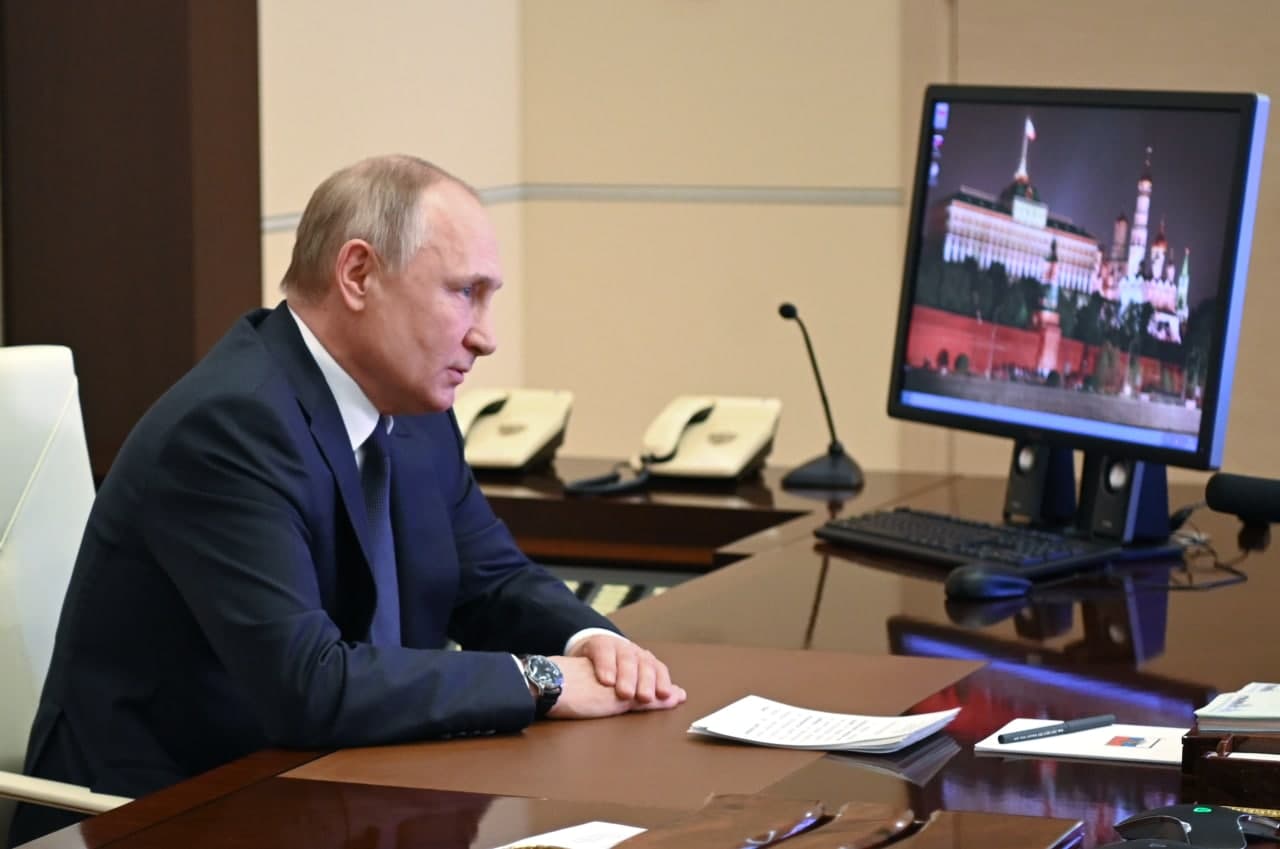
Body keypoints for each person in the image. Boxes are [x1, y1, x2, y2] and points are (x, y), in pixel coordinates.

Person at [9, 155, 686, 846]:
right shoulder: (230, 425)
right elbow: (309, 684)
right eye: (464, 292)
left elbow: (491, 579)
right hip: (161, 814)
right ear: (358, 274)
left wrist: (594, 644)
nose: (485, 336)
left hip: (331, 792)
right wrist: (540, 680)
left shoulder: (414, 410)